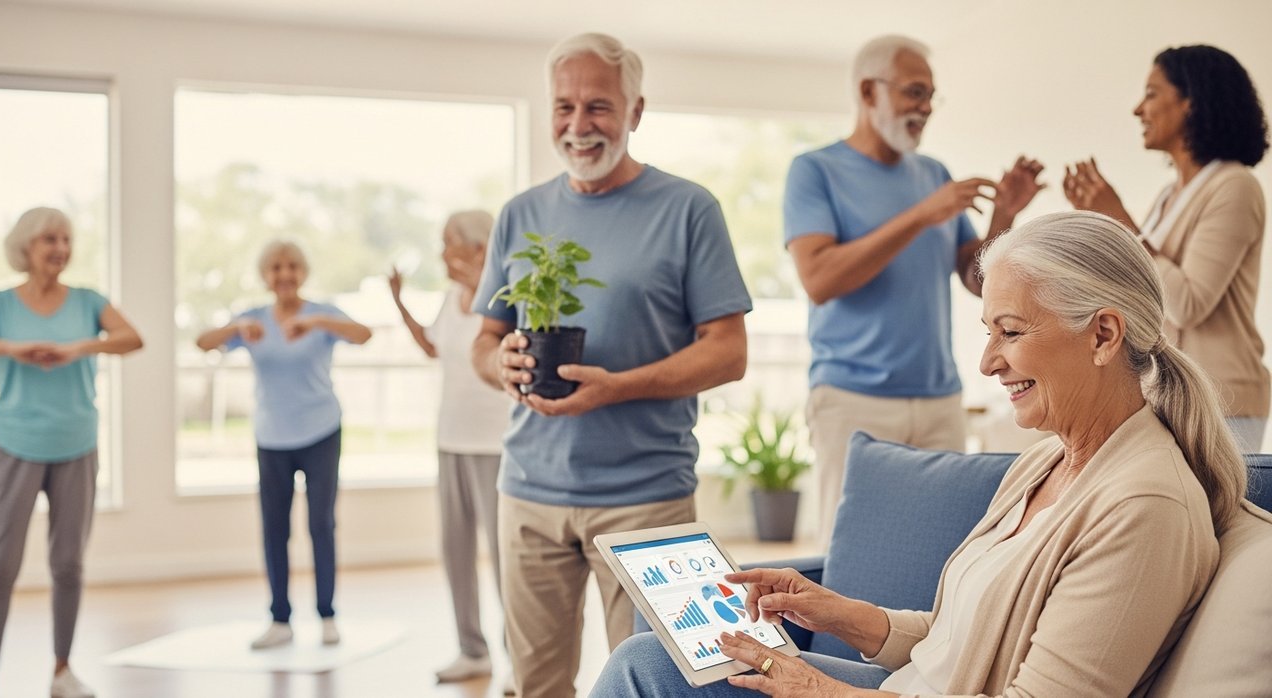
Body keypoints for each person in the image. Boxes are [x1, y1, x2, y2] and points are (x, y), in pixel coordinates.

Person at [592, 211, 1246, 696]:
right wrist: (835, 611)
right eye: (989, 332)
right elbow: (964, 639)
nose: (989, 362)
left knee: (644, 672)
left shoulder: (1144, 508)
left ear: (1103, 334)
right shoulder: (1045, 463)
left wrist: (816, 687)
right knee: (650, 660)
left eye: (1010, 332)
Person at [471, 32, 751, 698]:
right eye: (564, 107)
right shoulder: (520, 215)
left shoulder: (689, 209)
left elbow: (729, 350)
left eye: (598, 106)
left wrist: (617, 389)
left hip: (647, 499)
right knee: (537, 684)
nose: (578, 125)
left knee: (658, 682)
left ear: (636, 111)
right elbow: (483, 340)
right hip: (530, 495)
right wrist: (502, 362)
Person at [782, 34, 1046, 542]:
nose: (924, 108)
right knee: (851, 548)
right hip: (852, 400)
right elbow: (820, 279)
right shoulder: (815, 171)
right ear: (867, 92)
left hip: (938, 399)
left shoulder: (933, 174)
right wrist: (923, 215)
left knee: (943, 545)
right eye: (913, 93)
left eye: (929, 97)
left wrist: (1005, 212)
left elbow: (978, 277)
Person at [1063, 44, 1270, 452]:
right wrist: (1101, 225)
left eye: (1152, 93)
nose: (1138, 109)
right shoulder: (1168, 196)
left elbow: (1188, 302)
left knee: (1218, 518)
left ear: (1192, 102)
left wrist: (1123, 222)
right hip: (1168, 393)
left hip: (1222, 401)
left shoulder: (1234, 186)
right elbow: (1140, 288)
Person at [0, 207, 143, 698]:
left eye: (65, 239)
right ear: (26, 248)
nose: (59, 248)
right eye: (48, 240)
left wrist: (80, 348)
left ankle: (62, 670)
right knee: (0, 565)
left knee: (69, 564)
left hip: (76, 444)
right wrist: (11, 350)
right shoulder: (1, 303)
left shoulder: (87, 301)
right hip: (14, 443)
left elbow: (131, 338)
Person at [196, 240, 371, 650]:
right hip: (272, 437)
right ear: (266, 276)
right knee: (275, 528)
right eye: (276, 268)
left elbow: (363, 335)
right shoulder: (252, 319)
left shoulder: (321, 314)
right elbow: (203, 342)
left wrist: (317, 325)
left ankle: (327, 615)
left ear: (303, 272)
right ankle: (280, 619)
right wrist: (235, 330)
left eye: (292, 266)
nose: (285, 274)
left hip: (321, 431)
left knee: (320, 524)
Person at [387, 210, 513, 687]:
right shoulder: (450, 299)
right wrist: (399, 304)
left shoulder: (502, 299)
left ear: (479, 249)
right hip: (451, 442)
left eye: (448, 243)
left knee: (505, 559)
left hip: (495, 445)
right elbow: (433, 347)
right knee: (455, 549)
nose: (441, 253)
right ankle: (471, 651)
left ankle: (516, 657)